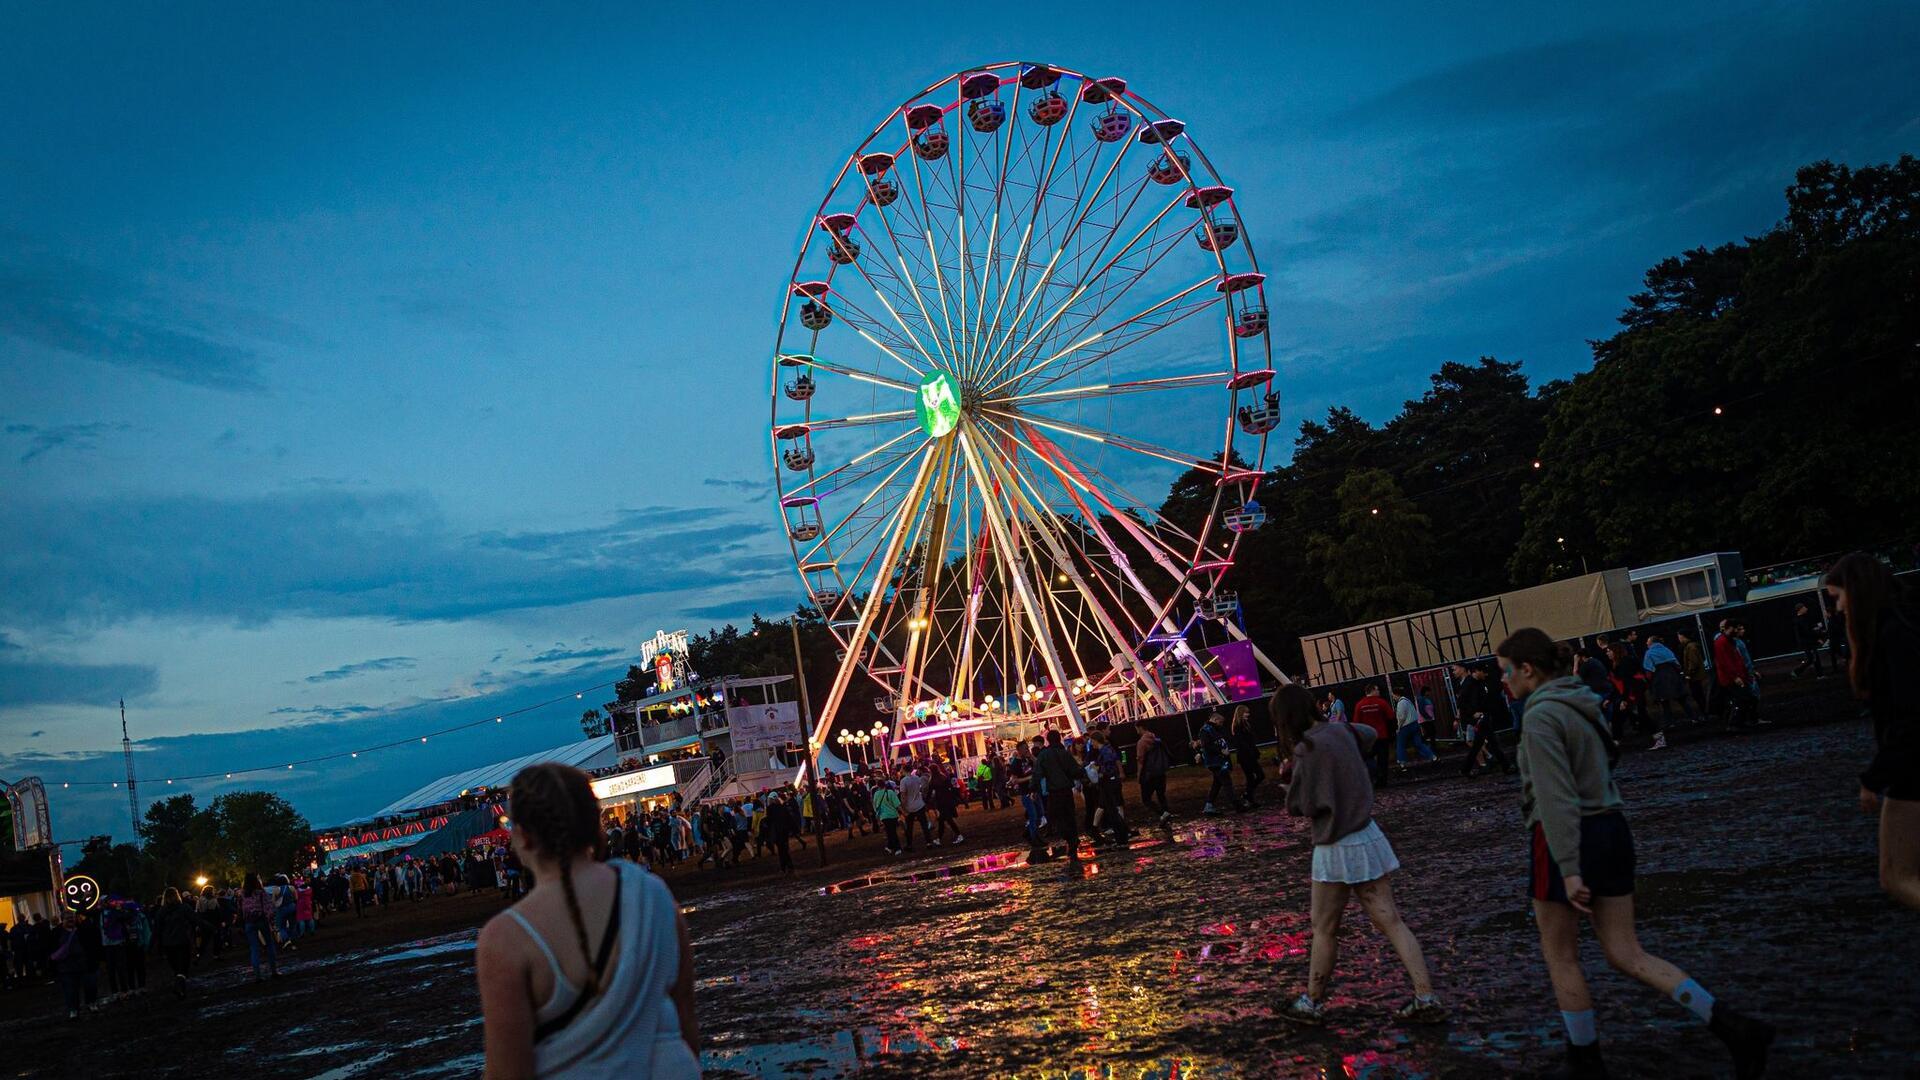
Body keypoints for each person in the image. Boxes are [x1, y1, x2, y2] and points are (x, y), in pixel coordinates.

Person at [1497, 627, 1772, 1079]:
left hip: (1565, 835)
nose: (1504, 681)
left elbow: (1554, 797)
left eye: (1506, 671)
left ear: (1528, 669)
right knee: (1627, 952)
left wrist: (1568, 868)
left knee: (1561, 955)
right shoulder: (1581, 700)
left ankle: (1585, 1063)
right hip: (1611, 826)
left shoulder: (1541, 716)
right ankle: (1733, 1027)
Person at [476, 763, 699, 1078]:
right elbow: (685, 1017)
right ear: (595, 824)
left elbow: (508, 1072)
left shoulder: (506, 938)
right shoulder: (653, 894)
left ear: (522, 837)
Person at [1272, 683, 1447, 1028]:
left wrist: (1289, 783)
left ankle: (1312, 1002)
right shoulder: (1343, 730)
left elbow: (1302, 805)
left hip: (1334, 845)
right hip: (1368, 836)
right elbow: (1368, 734)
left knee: (1324, 928)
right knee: (1392, 922)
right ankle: (1426, 996)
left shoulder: (1306, 750)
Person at [1823, 553, 1920, 909]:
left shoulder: (1892, 636)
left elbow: (1908, 717)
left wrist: (1875, 777)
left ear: (1856, 591)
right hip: (1908, 767)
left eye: (1837, 597)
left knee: (1897, 877)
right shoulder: (1905, 624)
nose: (1837, 608)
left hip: (1911, 773)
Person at [1034, 729, 1084, 877]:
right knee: (1070, 816)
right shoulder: (1065, 753)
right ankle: (1073, 841)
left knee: (1056, 818)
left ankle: (1069, 839)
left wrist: (1032, 787)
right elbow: (1075, 771)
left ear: (1048, 740)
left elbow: (1038, 773)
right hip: (1066, 790)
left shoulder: (1044, 755)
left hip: (1054, 792)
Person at [1453, 663, 1512, 777]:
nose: (1485, 674)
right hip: (1479, 718)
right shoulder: (1470, 684)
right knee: (1487, 743)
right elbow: (1461, 702)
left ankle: (1468, 768)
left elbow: (1464, 701)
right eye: (1483, 671)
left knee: (1479, 744)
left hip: (1480, 718)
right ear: (1477, 671)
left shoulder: (1472, 683)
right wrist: (1473, 713)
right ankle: (1505, 765)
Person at [1640, 635, 1695, 745]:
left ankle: (1669, 722)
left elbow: (1648, 669)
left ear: (1651, 643)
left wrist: (1650, 681)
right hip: (1673, 676)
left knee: (1664, 702)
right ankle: (1693, 717)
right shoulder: (1666, 650)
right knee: (1682, 699)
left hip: (1660, 678)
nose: (1646, 643)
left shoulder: (1649, 653)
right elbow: (1676, 663)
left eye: (1647, 641)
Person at [153, 887, 200, 996]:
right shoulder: (184, 908)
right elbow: (195, 919)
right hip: (182, 941)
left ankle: (180, 988)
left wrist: (153, 946)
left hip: (168, 943)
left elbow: (157, 930)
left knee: (176, 967)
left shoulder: (161, 911)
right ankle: (179, 987)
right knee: (183, 967)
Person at [1712, 619, 1758, 729]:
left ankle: (1736, 723)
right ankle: (1734, 724)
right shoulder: (1724, 642)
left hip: (1734, 676)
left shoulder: (1725, 641)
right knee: (1743, 699)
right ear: (1731, 628)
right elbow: (1726, 662)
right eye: (1736, 628)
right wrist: (1736, 676)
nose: (1738, 631)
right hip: (1732, 677)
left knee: (1743, 699)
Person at [237, 873, 279, 980]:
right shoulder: (260, 892)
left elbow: (240, 909)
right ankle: (274, 971)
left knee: (254, 948)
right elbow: (268, 907)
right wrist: (272, 921)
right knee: (269, 944)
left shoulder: (242, 894)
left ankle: (257, 975)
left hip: (249, 922)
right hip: (261, 920)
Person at [1195, 712, 1236, 814]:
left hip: (1217, 761)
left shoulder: (1211, 730)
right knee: (1227, 783)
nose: (1221, 724)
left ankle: (1209, 805)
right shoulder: (1206, 730)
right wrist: (1221, 751)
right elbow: (1207, 746)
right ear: (1215, 720)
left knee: (1217, 784)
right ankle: (1237, 805)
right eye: (1220, 722)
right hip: (1216, 762)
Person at [1392, 685, 1438, 766]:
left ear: (1396, 694)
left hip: (1405, 726)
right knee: (1418, 743)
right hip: (1415, 724)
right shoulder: (1408, 701)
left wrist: (1399, 727)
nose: (1393, 697)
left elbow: (1402, 717)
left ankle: (1402, 761)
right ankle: (1432, 756)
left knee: (1400, 744)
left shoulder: (1400, 703)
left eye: (1393, 696)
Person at [1229, 705, 1266, 807]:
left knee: (1253, 777)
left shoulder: (1243, 725)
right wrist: (1252, 752)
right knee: (1258, 775)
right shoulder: (1238, 726)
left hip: (1248, 755)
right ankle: (1248, 795)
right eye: (1246, 712)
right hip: (1246, 756)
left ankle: (1249, 796)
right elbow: (1242, 743)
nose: (1248, 714)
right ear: (1241, 713)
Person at [1135, 727, 1172, 821]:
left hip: (1149, 773)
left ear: (1140, 728)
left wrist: (1139, 775)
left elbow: (1140, 760)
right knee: (1161, 795)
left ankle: (1162, 814)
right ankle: (1166, 813)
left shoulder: (1142, 742)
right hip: (1160, 771)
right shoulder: (1156, 740)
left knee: (1146, 799)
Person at [1791, 601, 1828, 679]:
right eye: (1804, 607)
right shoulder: (1801, 620)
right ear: (1800, 609)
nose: (1806, 608)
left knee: (1812, 659)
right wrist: (1817, 638)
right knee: (1813, 658)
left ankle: (1797, 672)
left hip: (1807, 642)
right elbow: (1807, 632)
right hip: (1808, 643)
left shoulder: (1800, 619)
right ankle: (1819, 675)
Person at [898, 767, 932, 850]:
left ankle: (909, 844)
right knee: (924, 825)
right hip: (919, 804)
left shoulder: (903, 781)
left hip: (909, 806)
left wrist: (903, 805)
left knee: (909, 827)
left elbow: (903, 795)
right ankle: (929, 842)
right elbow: (921, 788)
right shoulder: (917, 778)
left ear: (905, 771)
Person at [871, 780, 903, 855]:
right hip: (893, 814)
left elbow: (875, 805)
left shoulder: (876, 794)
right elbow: (897, 804)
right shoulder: (890, 792)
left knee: (890, 832)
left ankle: (893, 847)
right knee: (892, 831)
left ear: (877, 786)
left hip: (884, 816)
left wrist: (877, 814)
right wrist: (903, 812)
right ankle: (893, 847)